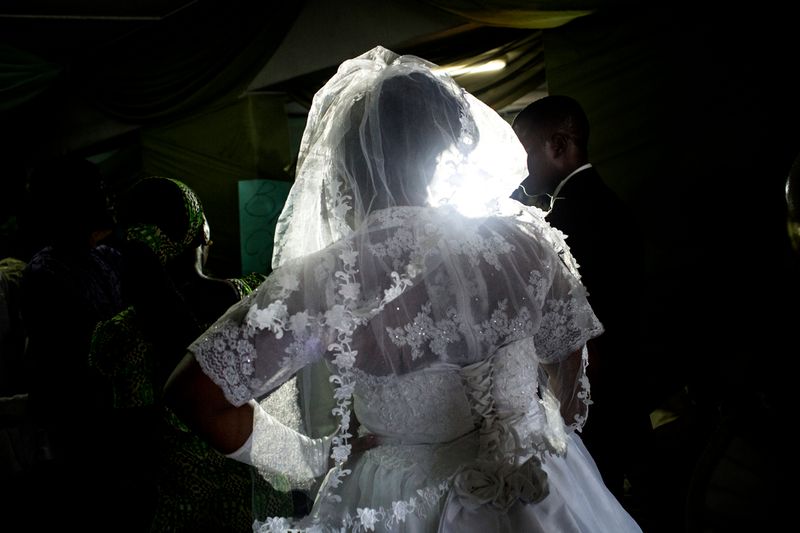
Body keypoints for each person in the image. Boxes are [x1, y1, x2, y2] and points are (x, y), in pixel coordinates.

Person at [164, 46, 643, 532]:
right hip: (546, 491)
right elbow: (577, 358)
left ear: (347, 166)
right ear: (451, 149)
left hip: (401, 505)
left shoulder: (331, 280)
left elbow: (197, 394)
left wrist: (311, 458)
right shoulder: (522, 244)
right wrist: (533, 429)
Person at [88, 175, 292, 532]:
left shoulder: (120, 335)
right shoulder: (259, 298)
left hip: (187, 514)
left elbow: (131, 448)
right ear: (201, 234)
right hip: (269, 502)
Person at [511, 95, 656, 518]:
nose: (517, 167)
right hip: (626, 386)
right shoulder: (606, 205)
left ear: (558, 145)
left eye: (524, 150)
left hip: (595, 400)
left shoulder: (568, 223)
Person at [18, 153, 126, 529]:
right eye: (99, 191)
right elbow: (66, 367)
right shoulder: (45, 274)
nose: (109, 198)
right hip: (81, 431)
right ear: (72, 204)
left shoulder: (107, 259)